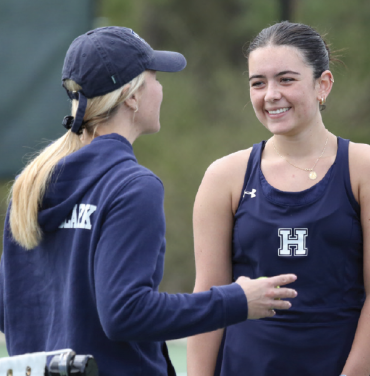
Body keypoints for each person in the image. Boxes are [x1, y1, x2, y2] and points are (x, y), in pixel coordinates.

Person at [0, 26, 297, 375]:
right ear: (131, 96)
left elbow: (13, 310)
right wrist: (237, 301)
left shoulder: (31, 184)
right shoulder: (132, 186)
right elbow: (126, 314)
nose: (161, 89)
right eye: (154, 78)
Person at [187, 21, 370, 376]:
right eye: (258, 83)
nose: (270, 94)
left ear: (323, 84)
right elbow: (210, 296)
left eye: (286, 80)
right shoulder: (224, 176)